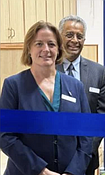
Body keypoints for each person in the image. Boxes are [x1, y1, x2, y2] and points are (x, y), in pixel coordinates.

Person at [0, 21, 92, 175]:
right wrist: (41, 171)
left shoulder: (76, 86)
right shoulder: (13, 85)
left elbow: (87, 134)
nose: (46, 49)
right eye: (39, 44)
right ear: (29, 48)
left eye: (51, 44)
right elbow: (6, 136)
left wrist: (73, 171)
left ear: (58, 49)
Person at [56, 15, 105, 175]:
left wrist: (84, 152)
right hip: (53, 158)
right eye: (69, 35)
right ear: (59, 37)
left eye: (80, 36)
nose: (75, 40)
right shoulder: (48, 70)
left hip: (87, 160)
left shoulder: (98, 72)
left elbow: (102, 116)